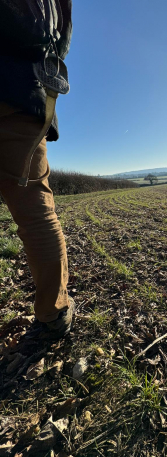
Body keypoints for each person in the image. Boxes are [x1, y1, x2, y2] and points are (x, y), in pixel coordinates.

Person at [0, 0, 74, 340]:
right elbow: (61, 43)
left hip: (21, 89)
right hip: (21, 94)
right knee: (37, 214)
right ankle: (53, 312)